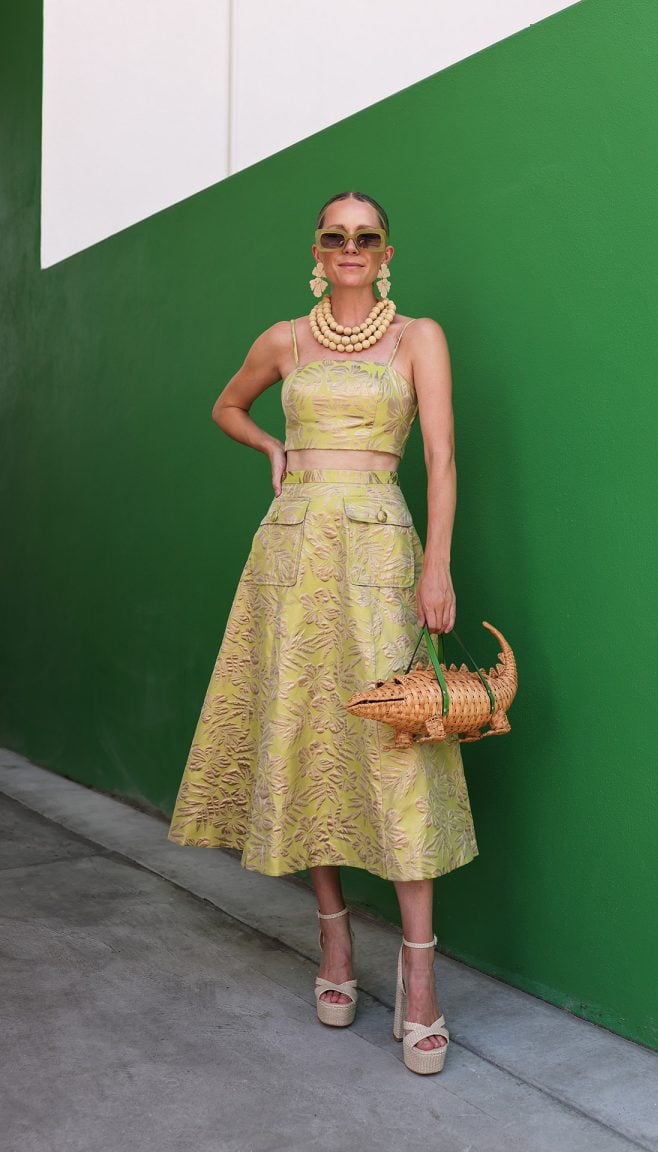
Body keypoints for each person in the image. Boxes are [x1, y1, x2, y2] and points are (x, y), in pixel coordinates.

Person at [167, 190, 478, 1074]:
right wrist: (274, 450)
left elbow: (442, 456)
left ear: (386, 252)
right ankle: (334, 941)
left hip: (379, 549)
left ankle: (419, 978)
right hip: (292, 551)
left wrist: (437, 565)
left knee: (397, 742)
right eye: (336, 235)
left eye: (366, 236)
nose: (351, 246)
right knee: (309, 738)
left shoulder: (418, 337)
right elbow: (228, 406)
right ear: (317, 248)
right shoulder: (284, 340)